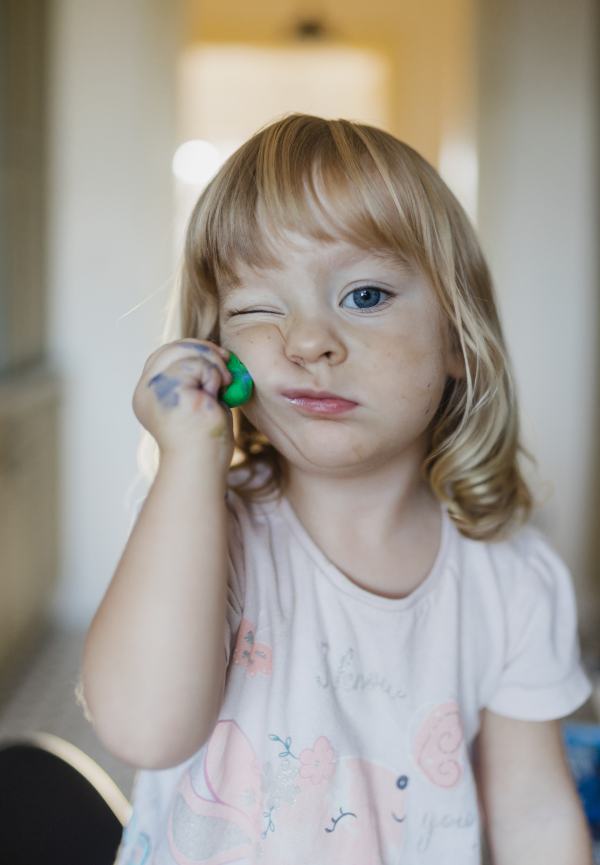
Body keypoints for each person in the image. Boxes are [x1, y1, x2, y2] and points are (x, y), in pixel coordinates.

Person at [82, 115, 593, 864]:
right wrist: (189, 455)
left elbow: (537, 817)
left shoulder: (514, 580)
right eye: (259, 306)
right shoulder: (199, 528)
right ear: (219, 349)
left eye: (363, 295)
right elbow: (144, 729)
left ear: (457, 337)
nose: (306, 341)